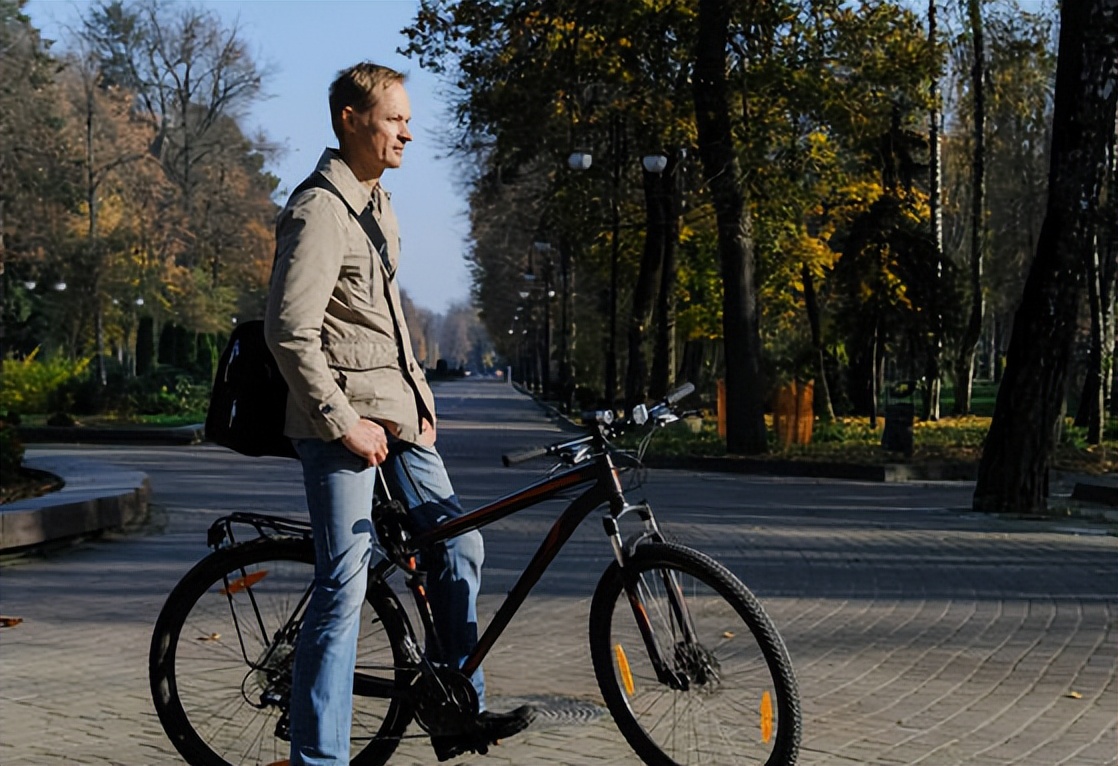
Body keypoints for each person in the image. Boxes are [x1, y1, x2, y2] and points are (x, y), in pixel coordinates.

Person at [265, 61, 533, 765]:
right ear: (351, 120)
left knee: (460, 545)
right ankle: (318, 759)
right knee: (344, 586)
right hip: (342, 427)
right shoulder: (319, 209)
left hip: (400, 419)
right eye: (395, 119)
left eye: (409, 120)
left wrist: (421, 396)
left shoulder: (376, 203)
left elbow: (378, 321)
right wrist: (340, 422)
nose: (408, 133)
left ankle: (457, 713)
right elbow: (289, 330)